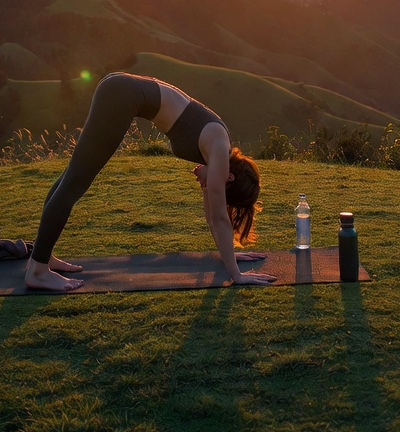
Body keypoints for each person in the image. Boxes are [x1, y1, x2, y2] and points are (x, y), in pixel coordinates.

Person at [25, 71, 276, 291]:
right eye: (218, 187)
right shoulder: (219, 148)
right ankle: (37, 271)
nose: (210, 187)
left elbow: (212, 217)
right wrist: (237, 276)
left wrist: (229, 256)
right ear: (228, 177)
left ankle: (43, 256)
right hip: (122, 95)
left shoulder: (216, 149)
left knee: (70, 179)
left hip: (121, 88)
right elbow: (220, 217)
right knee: (75, 184)